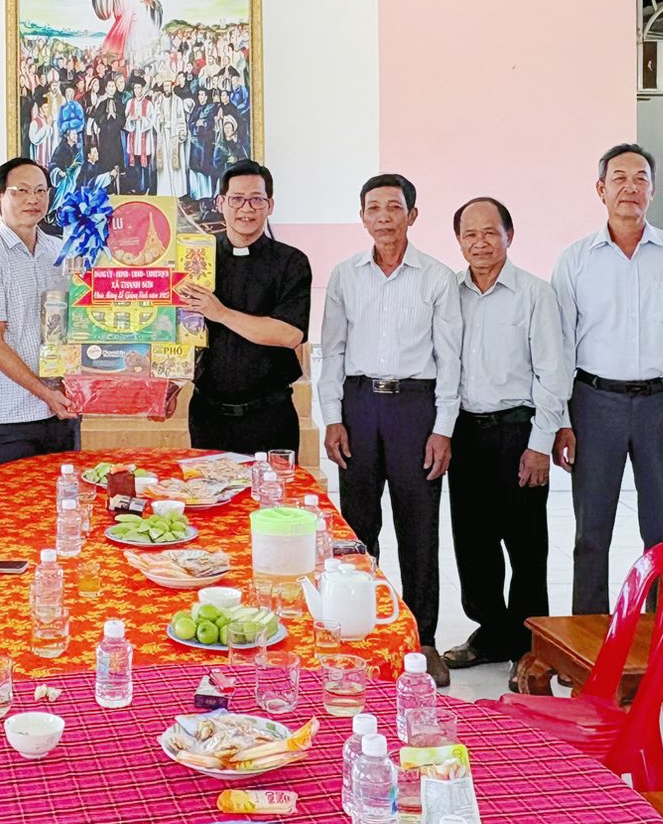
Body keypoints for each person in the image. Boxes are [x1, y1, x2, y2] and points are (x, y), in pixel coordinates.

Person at [551, 144, 663, 615]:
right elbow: (559, 346)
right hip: (594, 403)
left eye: (640, 178)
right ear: (600, 189)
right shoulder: (575, 259)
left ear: (653, 190)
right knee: (591, 530)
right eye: (619, 178)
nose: (630, 187)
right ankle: (588, 630)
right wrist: (561, 419)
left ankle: (660, 629)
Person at [316, 173, 463, 684]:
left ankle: (423, 641)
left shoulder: (437, 278)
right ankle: (361, 633)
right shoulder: (345, 275)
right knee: (357, 529)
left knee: (418, 527)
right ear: (362, 217)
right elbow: (332, 350)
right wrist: (332, 417)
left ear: (411, 216)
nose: (383, 217)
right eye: (373, 208)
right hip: (358, 405)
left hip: (415, 408)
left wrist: (443, 428)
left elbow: (450, 360)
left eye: (393, 207)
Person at [442, 197, 573, 674]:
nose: (480, 243)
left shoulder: (535, 294)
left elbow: (553, 373)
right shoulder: (449, 292)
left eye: (489, 233)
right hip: (465, 431)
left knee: (526, 543)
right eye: (469, 234)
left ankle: (529, 647)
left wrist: (539, 444)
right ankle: (491, 633)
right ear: (459, 241)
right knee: (472, 543)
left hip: (518, 430)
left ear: (509, 236)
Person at [176, 159, 311, 456]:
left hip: (270, 415)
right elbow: (177, 326)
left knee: (273, 488)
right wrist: (168, 385)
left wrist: (221, 313)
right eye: (236, 199)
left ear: (270, 205)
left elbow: (290, 335)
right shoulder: (197, 258)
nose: (246, 209)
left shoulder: (291, 262)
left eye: (256, 200)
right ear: (220, 203)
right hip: (207, 415)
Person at [0, 158, 77, 465]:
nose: (33, 199)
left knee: (65, 493)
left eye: (41, 191)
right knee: (14, 497)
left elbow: (79, 324)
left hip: (64, 411)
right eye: (22, 190)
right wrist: (46, 393)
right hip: (13, 419)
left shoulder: (61, 252)